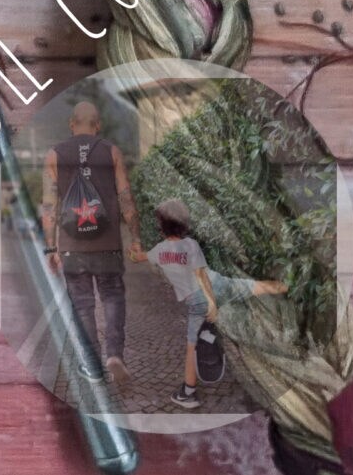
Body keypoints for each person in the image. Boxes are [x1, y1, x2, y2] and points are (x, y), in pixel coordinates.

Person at [147, 199, 286, 411]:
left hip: (201, 300)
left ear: (162, 226)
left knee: (192, 346)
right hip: (220, 285)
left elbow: (198, 276)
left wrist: (211, 304)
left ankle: (188, 393)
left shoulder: (159, 251)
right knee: (257, 287)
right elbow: (202, 274)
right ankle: (290, 288)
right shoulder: (190, 245)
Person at [43, 99, 138, 386]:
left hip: (72, 245)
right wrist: (136, 238)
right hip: (108, 243)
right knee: (112, 296)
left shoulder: (55, 154)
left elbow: (48, 205)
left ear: (72, 124)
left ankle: (94, 367)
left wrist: (50, 247)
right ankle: (115, 354)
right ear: (98, 126)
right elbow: (125, 199)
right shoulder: (111, 152)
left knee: (82, 304)